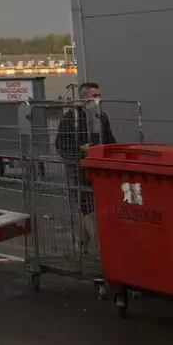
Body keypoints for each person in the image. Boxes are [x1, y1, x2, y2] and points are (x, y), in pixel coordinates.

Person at [56, 81, 116, 250]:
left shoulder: (101, 117)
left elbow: (110, 139)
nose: (98, 99)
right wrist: (78, 155)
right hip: (79, 168)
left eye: (99, 96)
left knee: (92, 207)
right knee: (87, 207)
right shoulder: (70, 118)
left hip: (99, 169)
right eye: (94, 96)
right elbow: (61, 144)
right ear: (83, 98)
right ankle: (101, 249)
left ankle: (80, 246)